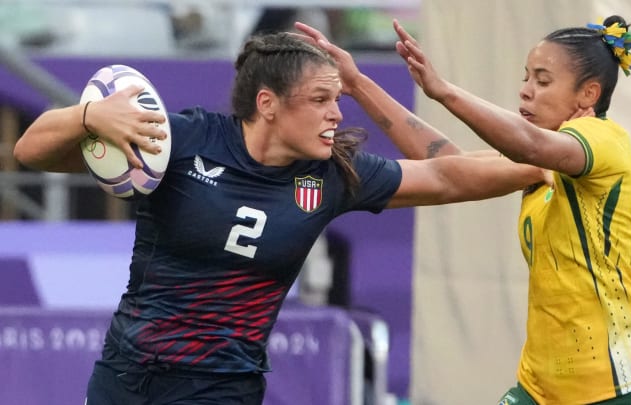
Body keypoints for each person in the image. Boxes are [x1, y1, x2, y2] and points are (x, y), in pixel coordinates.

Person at [13, 32, 546, 404]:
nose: (337, 114)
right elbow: (31, 151)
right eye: (320, 99)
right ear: (268, 103)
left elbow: (449, 174)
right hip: (125, 376)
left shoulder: (333, 175)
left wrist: (550, 161)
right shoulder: (185, 138)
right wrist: (88, 116)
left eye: (338, 99)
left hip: (222, 387)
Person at [295, 14, 631, 405]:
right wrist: (358, 84)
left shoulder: (604, 140)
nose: (526, 91)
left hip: (615, 393)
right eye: (525, 78)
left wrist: (442, 91)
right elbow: (449, 164)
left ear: (588, 95)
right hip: (540, 389)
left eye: (542, 81)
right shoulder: (543, 162)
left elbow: (527, 143)